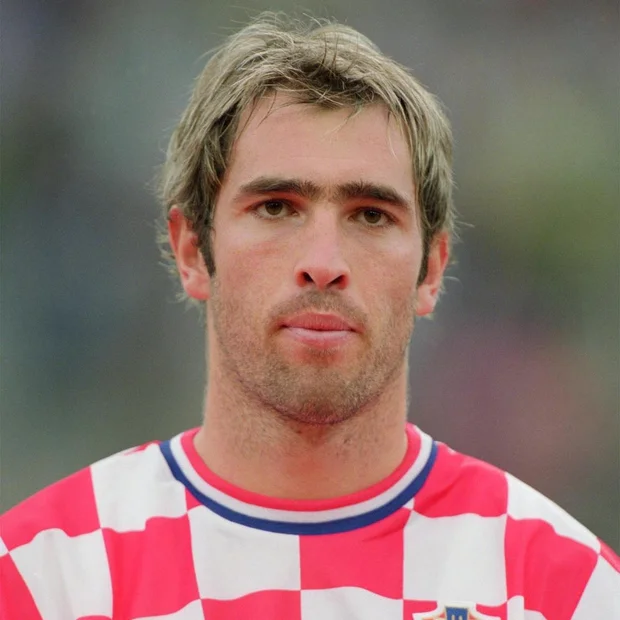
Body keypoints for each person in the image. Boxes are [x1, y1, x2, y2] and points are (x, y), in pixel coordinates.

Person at [1, 13, 618, 620]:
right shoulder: (42, 579)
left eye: (371, 215)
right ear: (192, 251)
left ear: (431, 269)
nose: (323, 264)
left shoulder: (563, 589)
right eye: (276, 207)